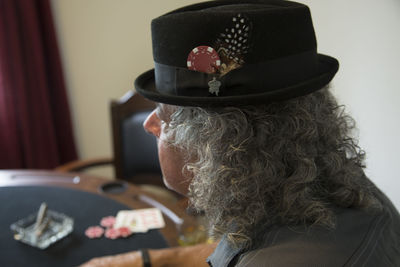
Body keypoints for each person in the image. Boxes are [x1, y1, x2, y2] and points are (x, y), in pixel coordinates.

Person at [81, 0, 400, 266]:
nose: (148, 123)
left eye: (164, 116)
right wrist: (146, 260)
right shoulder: (336, 184)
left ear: (217, 144)